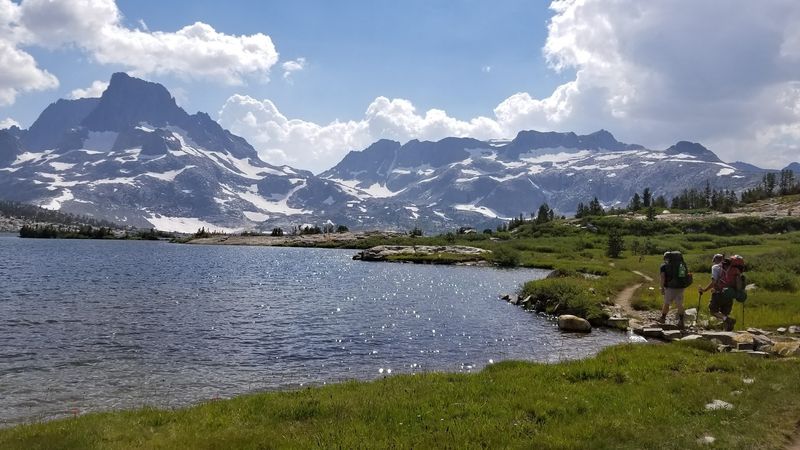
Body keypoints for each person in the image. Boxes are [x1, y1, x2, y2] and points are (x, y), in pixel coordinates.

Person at [699, 254, 736, 331]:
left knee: (713, 311)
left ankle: (728, 320)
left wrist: (705, 290)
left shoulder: (715, 267)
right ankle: (727, 330)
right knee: (725, 312)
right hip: (730, 293)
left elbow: (714, 281)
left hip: (719, 293)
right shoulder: (731, 267)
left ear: (715, 260)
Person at [659, 251, 687, 327]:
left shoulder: (664, 266)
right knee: (680, 304)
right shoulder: (681, 265)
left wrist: (662, 288)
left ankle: (663, 318)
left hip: (669, 288)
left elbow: (662, 278)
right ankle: (681, 321)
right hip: (681, 287)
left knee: (667, 303)